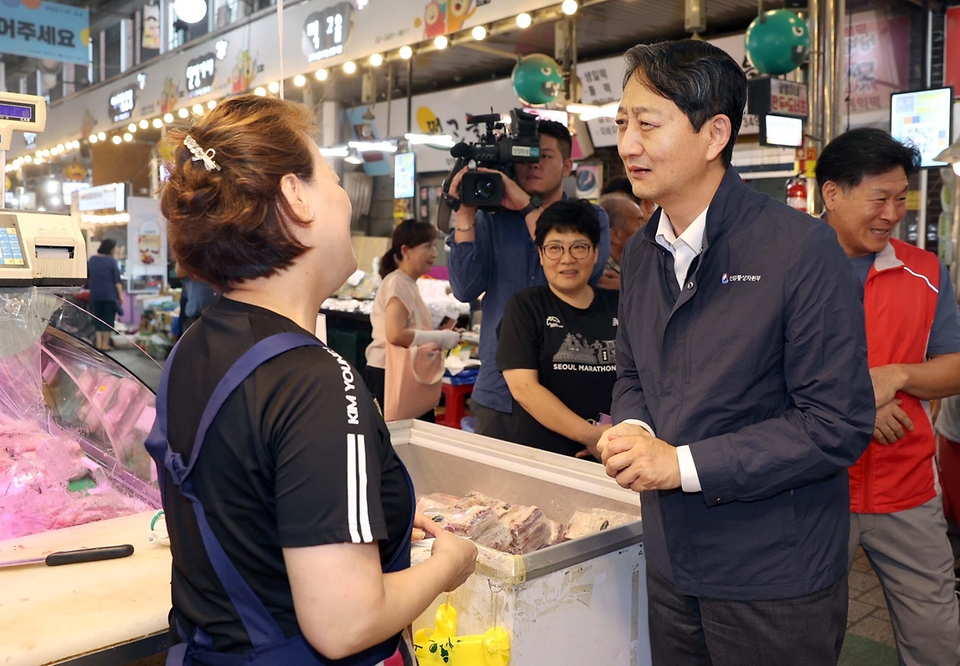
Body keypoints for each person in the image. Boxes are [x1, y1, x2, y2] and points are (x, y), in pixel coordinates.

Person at [148, 95, 476, 665]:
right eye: (331, 177)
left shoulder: (196, 346)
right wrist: (451, 564)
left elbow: (245, 508)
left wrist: (375, 518)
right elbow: (346, 624)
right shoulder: (316, 382)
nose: (346, 197)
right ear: (296, 197)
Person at [599, 40, 875, 665]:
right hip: (671, 560)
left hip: (774, 576)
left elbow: (836, 424)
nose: (627, 144)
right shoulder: (643, 252)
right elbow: (632, 372)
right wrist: (636, 429)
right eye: (622, 122)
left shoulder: (801, 251)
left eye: (648, 124)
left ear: (714, 132)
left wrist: (680, 465)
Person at [817, 128, 960, 666]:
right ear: (833, 193)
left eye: (901, 198)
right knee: (804, 634)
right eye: (880, 197)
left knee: (935, 636)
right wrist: (857, 407)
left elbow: (954, 367)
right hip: (815, 488)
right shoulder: (784, 267)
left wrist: (898, 375)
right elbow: (754, 373)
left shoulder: (924, 272)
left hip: (909, 487)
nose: (892, 212)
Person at [447, 120, 611, 441]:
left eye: (544, 156)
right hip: (499, 390)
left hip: (568, 391)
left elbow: (584, 274)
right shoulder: (490, 220)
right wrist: (464, 214)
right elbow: (464, 289)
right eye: (524, 157)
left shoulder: (590, 219)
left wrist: (524, 205)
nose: (533, 164)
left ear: (567, 166)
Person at [497, 200, 617, 459]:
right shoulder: (525, 307)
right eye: (555, 248)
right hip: (543, 459)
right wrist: (591, 436)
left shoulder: (621, 306)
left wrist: (615, 437)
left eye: (579, 247)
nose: (567, 259)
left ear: (596, 252)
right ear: (540, 254)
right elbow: (524, 389)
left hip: (613, 455)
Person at [363, 219, 460, 419]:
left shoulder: (407, 283)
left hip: (397, 373)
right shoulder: (398, 282)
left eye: (434, 246)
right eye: (428, 246)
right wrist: (440, 338)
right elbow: (396, 334)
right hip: (389, 374)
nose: (434, 253)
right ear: (406, 250)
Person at [598, 193, 647, 290]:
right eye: (640, 224)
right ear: (615, 235)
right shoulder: (602, 278)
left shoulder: (638, 268)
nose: (647, 230)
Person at [86, 238, 124, 351]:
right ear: (111, 249)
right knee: (108, 320)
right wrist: (120, 296)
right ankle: (105, 344)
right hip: (109, 295)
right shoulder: (111, 261)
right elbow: (117, 281)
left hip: (96, 295)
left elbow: (88, 277)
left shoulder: (92, 259)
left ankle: (98, 344)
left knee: (98, 319)